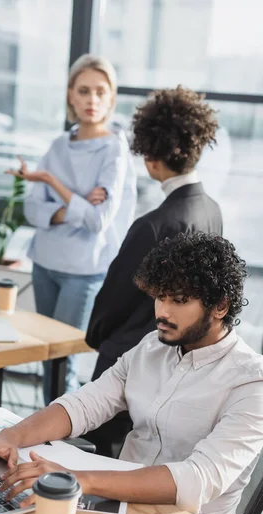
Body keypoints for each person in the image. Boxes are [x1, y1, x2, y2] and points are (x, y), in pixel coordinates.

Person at [0, 233, 263, 514]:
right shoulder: (152, 348)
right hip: (115, 505)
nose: (162, 311)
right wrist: (12, 436)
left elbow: (198, 478)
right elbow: (84, 405)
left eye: (179, 300)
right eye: (160, 297)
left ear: (220, 306)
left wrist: (80, 479)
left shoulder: (251, 384)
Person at [84, 86, 223, 456]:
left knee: (106, 462)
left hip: (133, 360)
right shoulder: (211, 211)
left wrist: (98, 339)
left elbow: (113, 300)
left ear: (150, 157)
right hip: (175, 362)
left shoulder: (154, 225)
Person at [7, 54, 137, 404]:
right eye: (84, 91)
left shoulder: (115, 150)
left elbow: (99, 220)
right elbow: (32, 209)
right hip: (46, 262)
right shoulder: (58, 145)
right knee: (44, 355)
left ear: (111, 97)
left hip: (83, 270)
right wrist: (78, 203)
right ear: (70, 96)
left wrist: (52, 183)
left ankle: (58, 446)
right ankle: (38, 439)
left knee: (64, 360)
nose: (92, 100)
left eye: (100, 91)